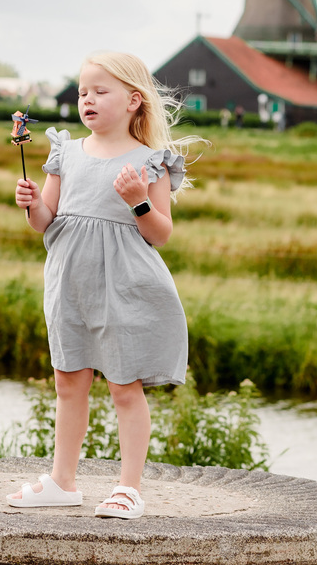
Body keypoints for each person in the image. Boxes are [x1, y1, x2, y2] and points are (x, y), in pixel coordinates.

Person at [10, 51, 203, 520]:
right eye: (82, 92)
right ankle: (62, 480)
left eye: (100, 91)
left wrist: (139, 201)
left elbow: (159, 234)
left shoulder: (149, 161)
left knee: (123, 386)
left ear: (135, 100)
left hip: (125, 285)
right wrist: (31, 203)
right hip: (69, 282)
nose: (87, 100)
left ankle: (128, 488)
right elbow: (45, 223)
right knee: (69, 382)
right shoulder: (65, 151)